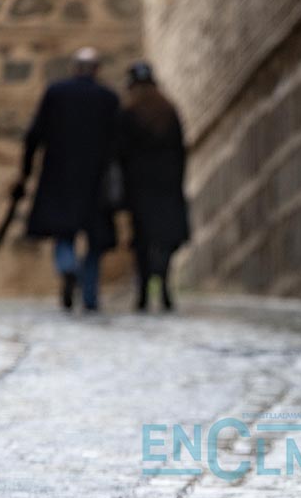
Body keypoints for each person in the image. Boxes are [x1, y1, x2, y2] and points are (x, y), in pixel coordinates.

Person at [19, 47, 119, 312]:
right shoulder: (108, 98)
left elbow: (34, 134)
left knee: (64, 233)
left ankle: (68, 267)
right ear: (96, 70)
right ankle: (89, 296)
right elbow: (119, 141)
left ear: (75, 68)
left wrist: (26, 171)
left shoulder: (56, 93)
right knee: (95, 239)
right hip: (96, 178)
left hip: (60, 175)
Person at [117, 61, 190, 311]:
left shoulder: (128, 114)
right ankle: (164, 283)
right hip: (168, 186)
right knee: (166, 237)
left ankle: (144, 291)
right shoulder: (168, 111)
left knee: (143, 240)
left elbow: (121, 152)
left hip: (140, 188)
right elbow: (180, 150)